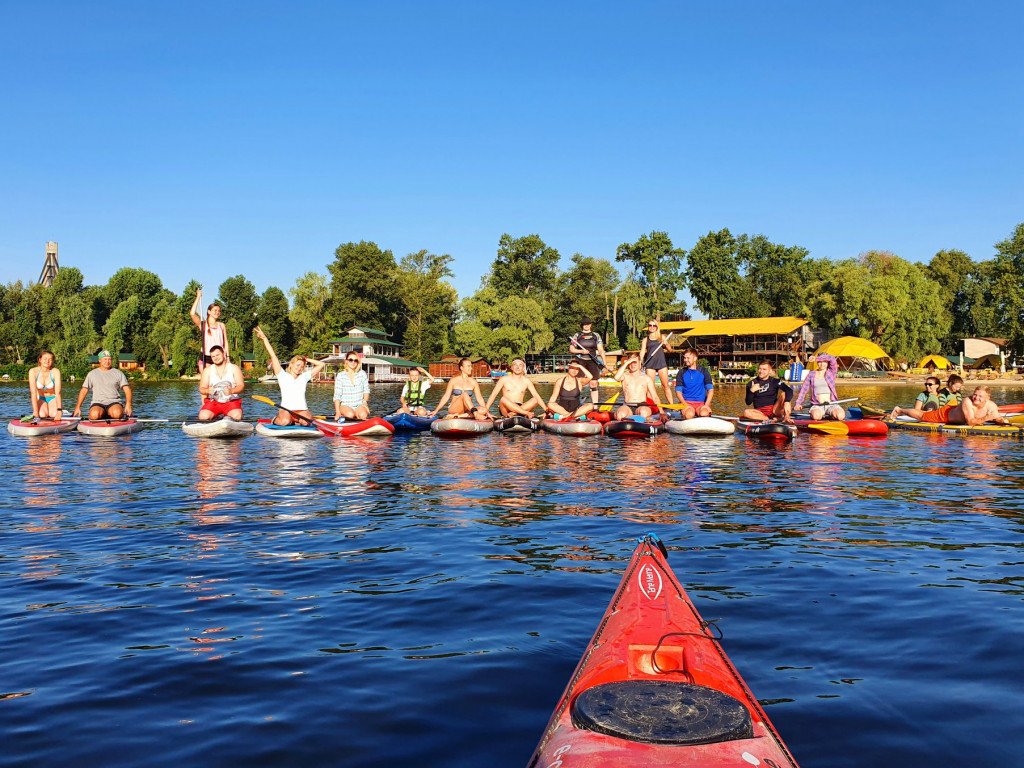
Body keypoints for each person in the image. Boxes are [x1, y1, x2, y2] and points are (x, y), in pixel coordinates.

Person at [254, 326, 326, 425]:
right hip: (286, 410)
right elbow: (273, 356)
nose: (299, 368)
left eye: (302, 366)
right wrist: (264, 339)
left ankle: (296, 420)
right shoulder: (282, 375)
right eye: (297, 365)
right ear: (291, 365)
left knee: (306, 422)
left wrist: (306, 359)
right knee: (285, 421)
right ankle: (275, 419)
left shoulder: (304, 377)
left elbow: (321, 364)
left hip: (301, 410)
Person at [891, 386, 1010, 425]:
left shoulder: (991, 405)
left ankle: (901, 410)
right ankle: (900, 410)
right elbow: (970, 421)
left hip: (956, 415)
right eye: (975, 394)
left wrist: (1001, 420)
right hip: (945, 415)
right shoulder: (967, 401)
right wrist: (988, 418)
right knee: (923, 416)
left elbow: (996, 417)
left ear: (988, 398)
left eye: (980, 396)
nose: (976, 398)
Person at [73, 350, 133, 420]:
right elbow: (84, 390)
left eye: (109, 359)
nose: (107, 361)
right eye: (105, 359)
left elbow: (127, 390)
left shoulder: (118, 373)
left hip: (114, 402)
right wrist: (77, 407)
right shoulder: (92, 374)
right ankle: (101, 415)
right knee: (94, 414)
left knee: (117, 413)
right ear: (100, 360)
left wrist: (128, 405)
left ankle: (115, 415)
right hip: (98, 402)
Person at [197, 345, 244, 421]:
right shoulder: (207, 370)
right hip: (214, 402)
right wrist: (207, 391)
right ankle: (215, 417)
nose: (216, 358)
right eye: (213, 356)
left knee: (237, 416)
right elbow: (201, 389)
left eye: (217, 355)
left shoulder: (234, 368)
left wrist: (232, 391)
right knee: (203, 417)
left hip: (231, 401)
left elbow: (241, 386)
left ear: (223, 353)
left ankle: (230, 417)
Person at [793, 353, 845, 420]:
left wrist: (816, 358)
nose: (822, 364)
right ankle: (819, 415)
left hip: (831, 404)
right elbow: (803, 390)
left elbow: (832, 358)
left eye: (824, 361)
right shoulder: (811, 374)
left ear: (827, 362)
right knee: (816, 416)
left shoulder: (831, 372)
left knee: (840, 416)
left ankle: (830, 414)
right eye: (820, 362)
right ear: (817, 363)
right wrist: (798, 403)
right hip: (817, 405)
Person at [569, 318, 607, 408]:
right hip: (580, 360)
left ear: (591, 325)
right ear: (582, 325)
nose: (586, 325)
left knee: (593, 383)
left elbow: (601, 350)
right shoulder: (577, 335)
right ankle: (576, 404)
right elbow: (571, 349)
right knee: (579, 382)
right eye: (584, 324)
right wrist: (581, 351)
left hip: (593, 361)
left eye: (588, 324)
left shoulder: (596, 335)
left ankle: (595, 407)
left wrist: (604, 363)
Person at [190, 288, 229, 372]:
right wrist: (198, 297)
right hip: (206, 357)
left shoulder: (221, 325)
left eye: (219, 311)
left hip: (220, 357)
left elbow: (225, 342)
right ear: (209, 311)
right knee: (207, 383)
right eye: (215, 310)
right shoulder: (203, 324)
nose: (217, 312)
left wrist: (228, 357)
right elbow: (192, 314)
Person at [612, 355, 660, 421]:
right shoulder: (624, 376)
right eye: (631, 362)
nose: (633, 365)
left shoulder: (646, 378)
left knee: (643, 412)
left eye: (635, 362)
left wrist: (662, 412)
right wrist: (626, 363)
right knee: (620, 414)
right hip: (627, 406)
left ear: (640, 363)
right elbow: (616, 378)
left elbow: (655, 397)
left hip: (642, 406)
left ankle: (642, 423)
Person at [639, 320, 675, 405]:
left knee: (665, 386)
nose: (652, 327)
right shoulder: (645, 339)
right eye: (650, 325)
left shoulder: (661, 337)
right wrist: (640, 362)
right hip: (650, 364)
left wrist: (665, 344)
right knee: (650, 388)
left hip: (661, 363)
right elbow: (642, 352)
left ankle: (672, 405)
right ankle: (651, 406)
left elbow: (670, 350)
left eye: (654, 325)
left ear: (657, 327)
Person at [674, 348, 714, 419]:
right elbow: (678, 392)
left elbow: (710, 390)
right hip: (687, 403)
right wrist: (685, 404)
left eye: (688, 358)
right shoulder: (681, 372)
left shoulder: (704, 371)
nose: (685, 360)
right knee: (689, 414)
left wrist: (706, 405)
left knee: (704, 413)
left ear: (695, 358)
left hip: (701, 404)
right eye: (685, 358)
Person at [333, 352, 371, 421]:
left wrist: (365, 403)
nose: (353, 362)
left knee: (363, 415)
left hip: (359, 404)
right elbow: (337, 396)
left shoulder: (362, 374)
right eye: (350, 360)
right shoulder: (340, 376)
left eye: (355, 360)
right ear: (346, 361)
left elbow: (366, 390)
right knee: (350, 415)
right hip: (345, 405)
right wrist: (337, 412)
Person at [28, 350, 63, 420]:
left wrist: (59, 411)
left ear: (52, 361)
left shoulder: (55, 371)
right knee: (42, 415)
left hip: (53, 398)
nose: (47, 361)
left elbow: (58, 393)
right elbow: (33, 393)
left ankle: (59, 410)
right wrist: (35, 412)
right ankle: (41, 411)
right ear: (40, 360)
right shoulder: (33, 371)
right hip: (41, 398)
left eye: (50, 359)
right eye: (45, 359)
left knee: (53, 414)